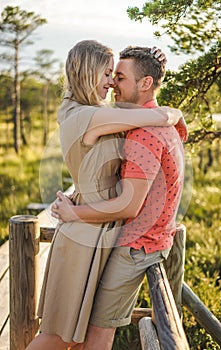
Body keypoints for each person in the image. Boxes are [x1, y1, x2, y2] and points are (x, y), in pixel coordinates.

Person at [25, 40, 186, 350]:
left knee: (78, 334)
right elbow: (156, 116)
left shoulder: (94, 113)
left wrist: (155, 72)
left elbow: (146, 112)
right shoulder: (89, 116)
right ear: (88, 73)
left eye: (116, 75)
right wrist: (173, 110)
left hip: (99, 229)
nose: (112, 82)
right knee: (58, 336)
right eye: (108, 73)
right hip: (85, 231)